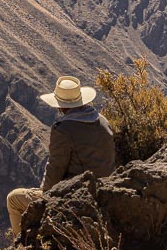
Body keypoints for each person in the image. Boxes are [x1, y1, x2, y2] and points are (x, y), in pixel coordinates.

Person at [6, 75, 116, 237]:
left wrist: (44, 196)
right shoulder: (103, 121)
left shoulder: (63, 130)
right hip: (105, 193)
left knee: (14, 199)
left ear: (61, 106)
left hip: (74, 197)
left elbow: (55, 169)